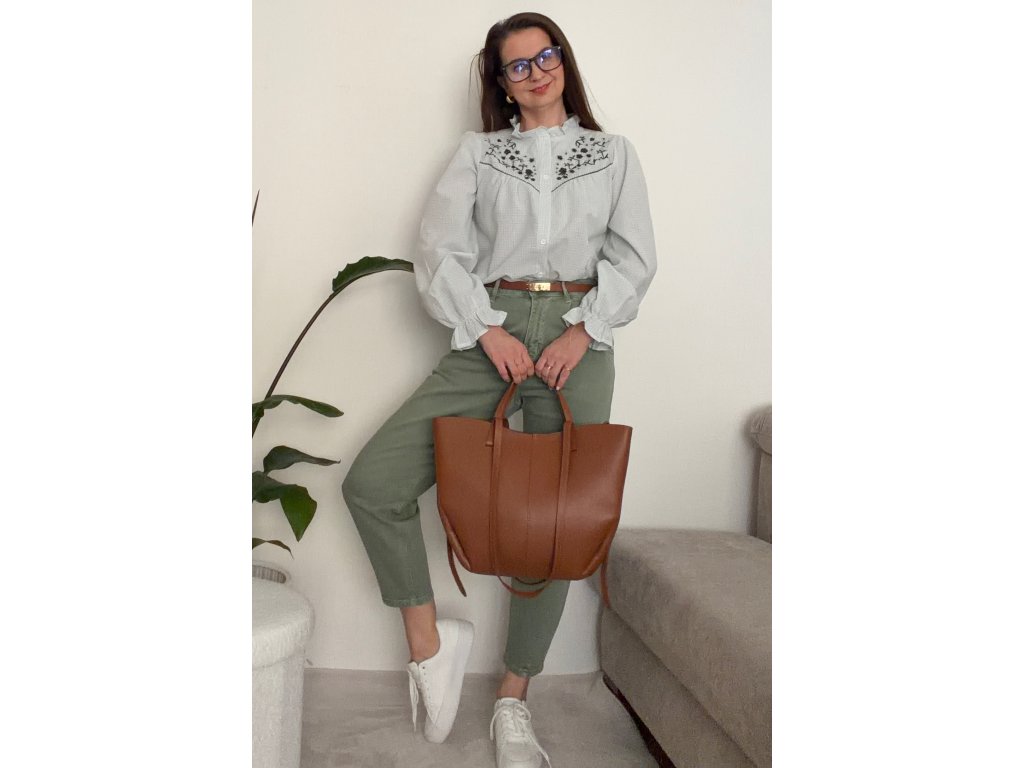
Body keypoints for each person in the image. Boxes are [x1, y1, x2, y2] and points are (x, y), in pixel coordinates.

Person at [341, 12, 656, 768]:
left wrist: (584, 330)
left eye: (546, 56)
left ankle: (514, 700)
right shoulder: (479, 155)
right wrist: (487, 330)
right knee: (373, 483)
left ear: (563, 61)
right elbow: (438, 249)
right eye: (518, 65)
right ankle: (430, 645)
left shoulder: (612, 154)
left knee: (553, 525)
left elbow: (634, 256)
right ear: (503, 84)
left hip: (582, 336)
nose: (536, 71)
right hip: (494, 327)